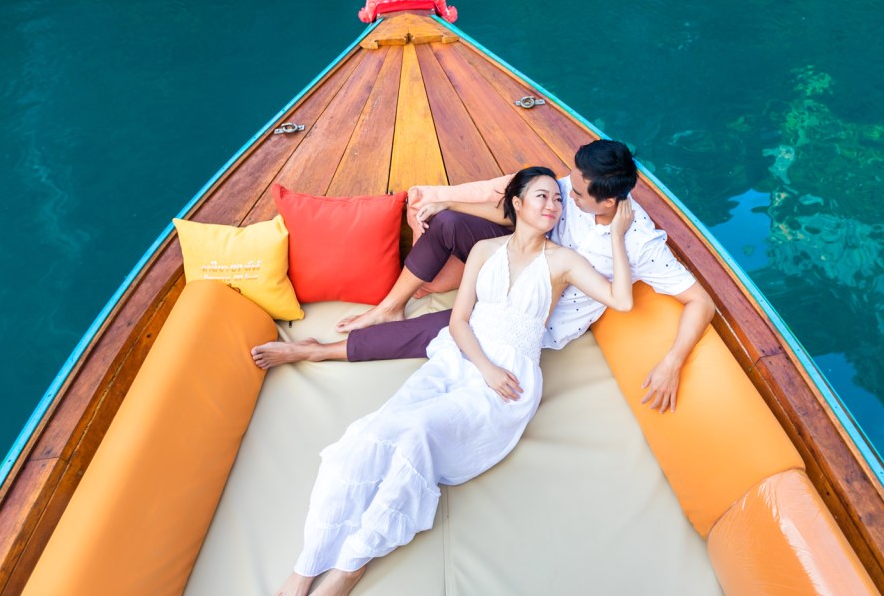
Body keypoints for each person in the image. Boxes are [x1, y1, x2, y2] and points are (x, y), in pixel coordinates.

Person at [270, 168, 635, 596]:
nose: (552, 206)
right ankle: (310, 560)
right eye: (541, 196)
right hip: (459, 358)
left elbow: (621, 300)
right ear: (516, 204)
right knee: (370, 433)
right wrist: (480, 364)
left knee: (416, 431)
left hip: (508, 382)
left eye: (558, 201)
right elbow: (459, 321)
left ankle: (350, 565)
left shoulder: (562, 261)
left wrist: (618, 234)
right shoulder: (485, 250)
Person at [252, 140, 714, 412]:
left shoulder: (640, 243)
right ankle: (388, 307)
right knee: (450, 224)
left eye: (574, 191)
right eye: (565, 185)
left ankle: (317, 352)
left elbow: (701, 302)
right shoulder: (569, 195)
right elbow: (514, 210)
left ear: (609, 202)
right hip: (516, 253)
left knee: (445, 328)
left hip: (533, 310)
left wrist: (672, 361)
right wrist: (446, 202)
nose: (564, 196)